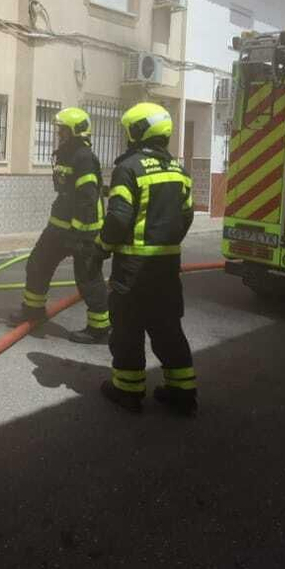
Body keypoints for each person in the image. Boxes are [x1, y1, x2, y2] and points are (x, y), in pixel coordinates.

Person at [95, 102, 197, 414]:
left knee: (127, 328)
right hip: (166, 268)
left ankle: (127, 390)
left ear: (138, 131)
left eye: (129, 130)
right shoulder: (179, 171)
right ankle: (183, 391)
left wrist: (100, 247)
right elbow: (187, 216)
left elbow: (118, 219)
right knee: (168, 328)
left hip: (132, 270)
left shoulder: (129, 168)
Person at [14, 107, 112, 342]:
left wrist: (78, 233)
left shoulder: (84, 157)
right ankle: (33, 311)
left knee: (88, 279)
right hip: (59, 226)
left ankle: (99, 328)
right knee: (38, 264)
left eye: (63, 130)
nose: (59, 135)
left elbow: (87, 199)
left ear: (76, 132)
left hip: (83, 231)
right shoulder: (66, 154)